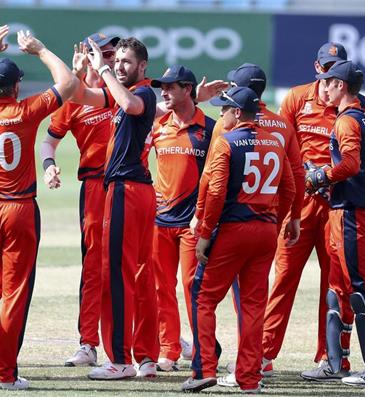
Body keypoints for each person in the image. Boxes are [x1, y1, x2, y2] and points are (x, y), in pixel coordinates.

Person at [0, 26, 76, 390]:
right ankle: (5, 374)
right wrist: (39, 50)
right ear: (16, 87)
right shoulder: (25, 111)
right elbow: (67, 83)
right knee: (15, 291)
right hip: (19, 209)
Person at [264, 42, 365, 378]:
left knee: (335, 286)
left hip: (339, 208)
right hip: (300, 205)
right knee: (283, 279)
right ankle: (264, 355)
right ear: (317, 68)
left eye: (337, 68)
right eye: (327, 67)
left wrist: (358, 193)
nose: (331, 75)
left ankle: (327, 357)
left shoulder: (360, 107)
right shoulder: (297, 98)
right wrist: (302, 178)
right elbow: (280, 148)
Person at [181, 87, 295, 393]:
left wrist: (205, 234)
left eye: (224, 110)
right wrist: (275, 219)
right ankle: (249, 379)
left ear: (236, 113)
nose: (220, 114)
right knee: (254, 306)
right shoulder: (275, 142)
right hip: (265, 232)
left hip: (233, 230)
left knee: (203, 297)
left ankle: (204, 369)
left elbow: (216, 193)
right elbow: (290, 190)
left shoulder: (226, 143)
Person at [72, 37, 159, 380]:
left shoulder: (144, 92)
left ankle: (120, 359)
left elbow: (131, 105)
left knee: (117, 276)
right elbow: (82, 98)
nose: (120, 66)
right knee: (138, 274)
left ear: (142, 67)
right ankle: (146, 358)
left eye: (126, 62)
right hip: (134, 190)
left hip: (126, 188)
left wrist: (105, 69)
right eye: (117, 60)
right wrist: (80, 72)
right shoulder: (120, 92)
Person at [305, 60, 365, 388]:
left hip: (351, 214)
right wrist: (360, 182)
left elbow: (349, 164)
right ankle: (335, 362)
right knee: (338, 288)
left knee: (359, 290)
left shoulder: (346, 122)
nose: (323, 88)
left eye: (327, 83)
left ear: (340, 86)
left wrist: (321, 176)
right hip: (347, 209)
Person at [215, 63, 303, 381]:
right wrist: (292, 217)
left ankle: (220, 365)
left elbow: (213, 179)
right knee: (254, 298)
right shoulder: (282, 126)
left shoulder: (227, 124)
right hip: (270, 223)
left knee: (210, 296)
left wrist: (205, 225)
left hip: (231, 223)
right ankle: (255, 363)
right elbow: (296, 175)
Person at [39, 32, 119, 367]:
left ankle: (163, 338)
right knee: (95, 266)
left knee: (142, 264)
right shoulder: (73, 102)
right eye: (104, 52)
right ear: (86, 55)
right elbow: (49, 141)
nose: (111, 58)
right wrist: (49, 166)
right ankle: (88, 342)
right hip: (94, 188)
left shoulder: (120, 89)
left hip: (130, 185)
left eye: (113, 52)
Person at [147, 65, 214, 372]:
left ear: (188, 89)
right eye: (163, 87)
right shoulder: (158, 126)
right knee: (161, 287)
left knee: (193, 288)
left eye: (171, 87)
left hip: (193, 223)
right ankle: (169, 349)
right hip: (160, 220)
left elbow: (218, 178)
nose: (164, 92)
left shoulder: (211, 129)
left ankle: (203, 350)